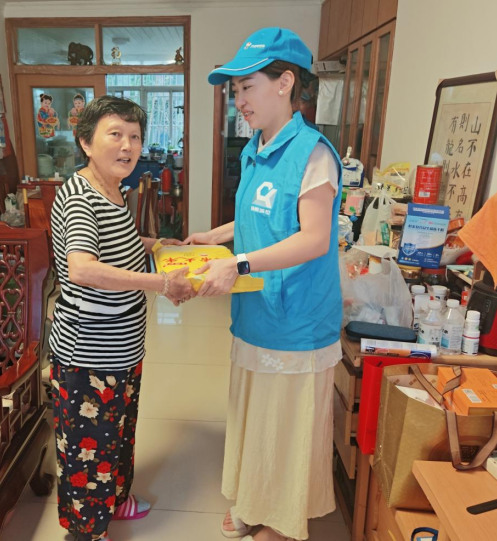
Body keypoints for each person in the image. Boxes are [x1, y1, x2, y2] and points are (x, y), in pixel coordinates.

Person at [184, 28, 343, 541]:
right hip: (257, 310)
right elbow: (262, 215)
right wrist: (216, 236)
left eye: (247, 87)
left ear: (285, 83)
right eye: (236, 91)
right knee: (256, 417)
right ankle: (254, 500)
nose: (240, 100)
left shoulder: (313, 154)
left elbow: (313, 238)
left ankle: (281, 521)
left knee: (286, 426)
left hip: (297, 318)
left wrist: (239, 264)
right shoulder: (257, 147)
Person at [49, 95, 195, 541]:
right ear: (85, 142)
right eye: (115, 134)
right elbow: (83, 268)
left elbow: (119, 244)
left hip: (121, 346)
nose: (127, 145)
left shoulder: (112, 189)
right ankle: (86, 531)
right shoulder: (80, 198)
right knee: (88, 447)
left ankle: (115, 500)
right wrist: (161, 283)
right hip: (89, 354)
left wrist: (159, 245)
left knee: (116, 433)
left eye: (134, 136)